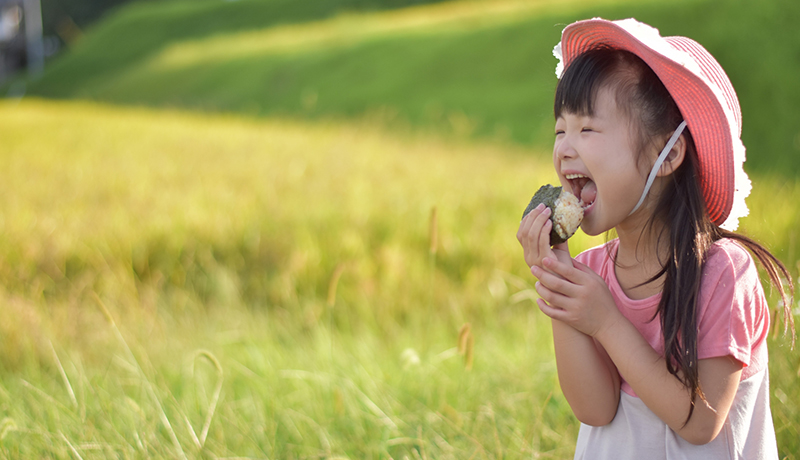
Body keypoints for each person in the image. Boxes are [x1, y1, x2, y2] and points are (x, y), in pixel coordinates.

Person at [516, 18, 795, 459]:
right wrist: (558, 284)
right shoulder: (590, 273)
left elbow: (701, 422)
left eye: (587, 129)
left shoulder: (722, 272)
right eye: (560, 130)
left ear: (667, 155)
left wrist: (606, 321)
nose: (565, 148)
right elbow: (595, 409)